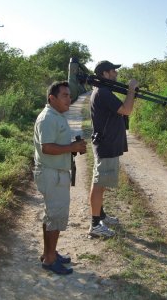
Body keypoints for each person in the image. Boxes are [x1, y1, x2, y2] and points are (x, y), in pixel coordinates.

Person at [33, 81, 87, 274]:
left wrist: (73, 148)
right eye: (64, 95)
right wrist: (72, 148)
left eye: (70, 95)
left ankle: (50, 253)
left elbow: (54, 144)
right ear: (52, 98)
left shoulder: (56, 116)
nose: (69, 99)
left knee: (52, 216)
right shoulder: (48, 118)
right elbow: (47, 147)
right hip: (52, 174)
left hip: (56, 173)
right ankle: (49, 260)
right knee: (54, 217)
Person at [88, 61, 139, 237]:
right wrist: (131, 89)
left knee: (102, 183)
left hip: (107, 145)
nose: (116, 74)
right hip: (106, 146)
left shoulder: (103, 91)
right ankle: (95, 225)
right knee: (99, 183)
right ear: (104, 74)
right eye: (113, 71)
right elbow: (126, 110)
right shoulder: (103, 92)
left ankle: (100, 215)